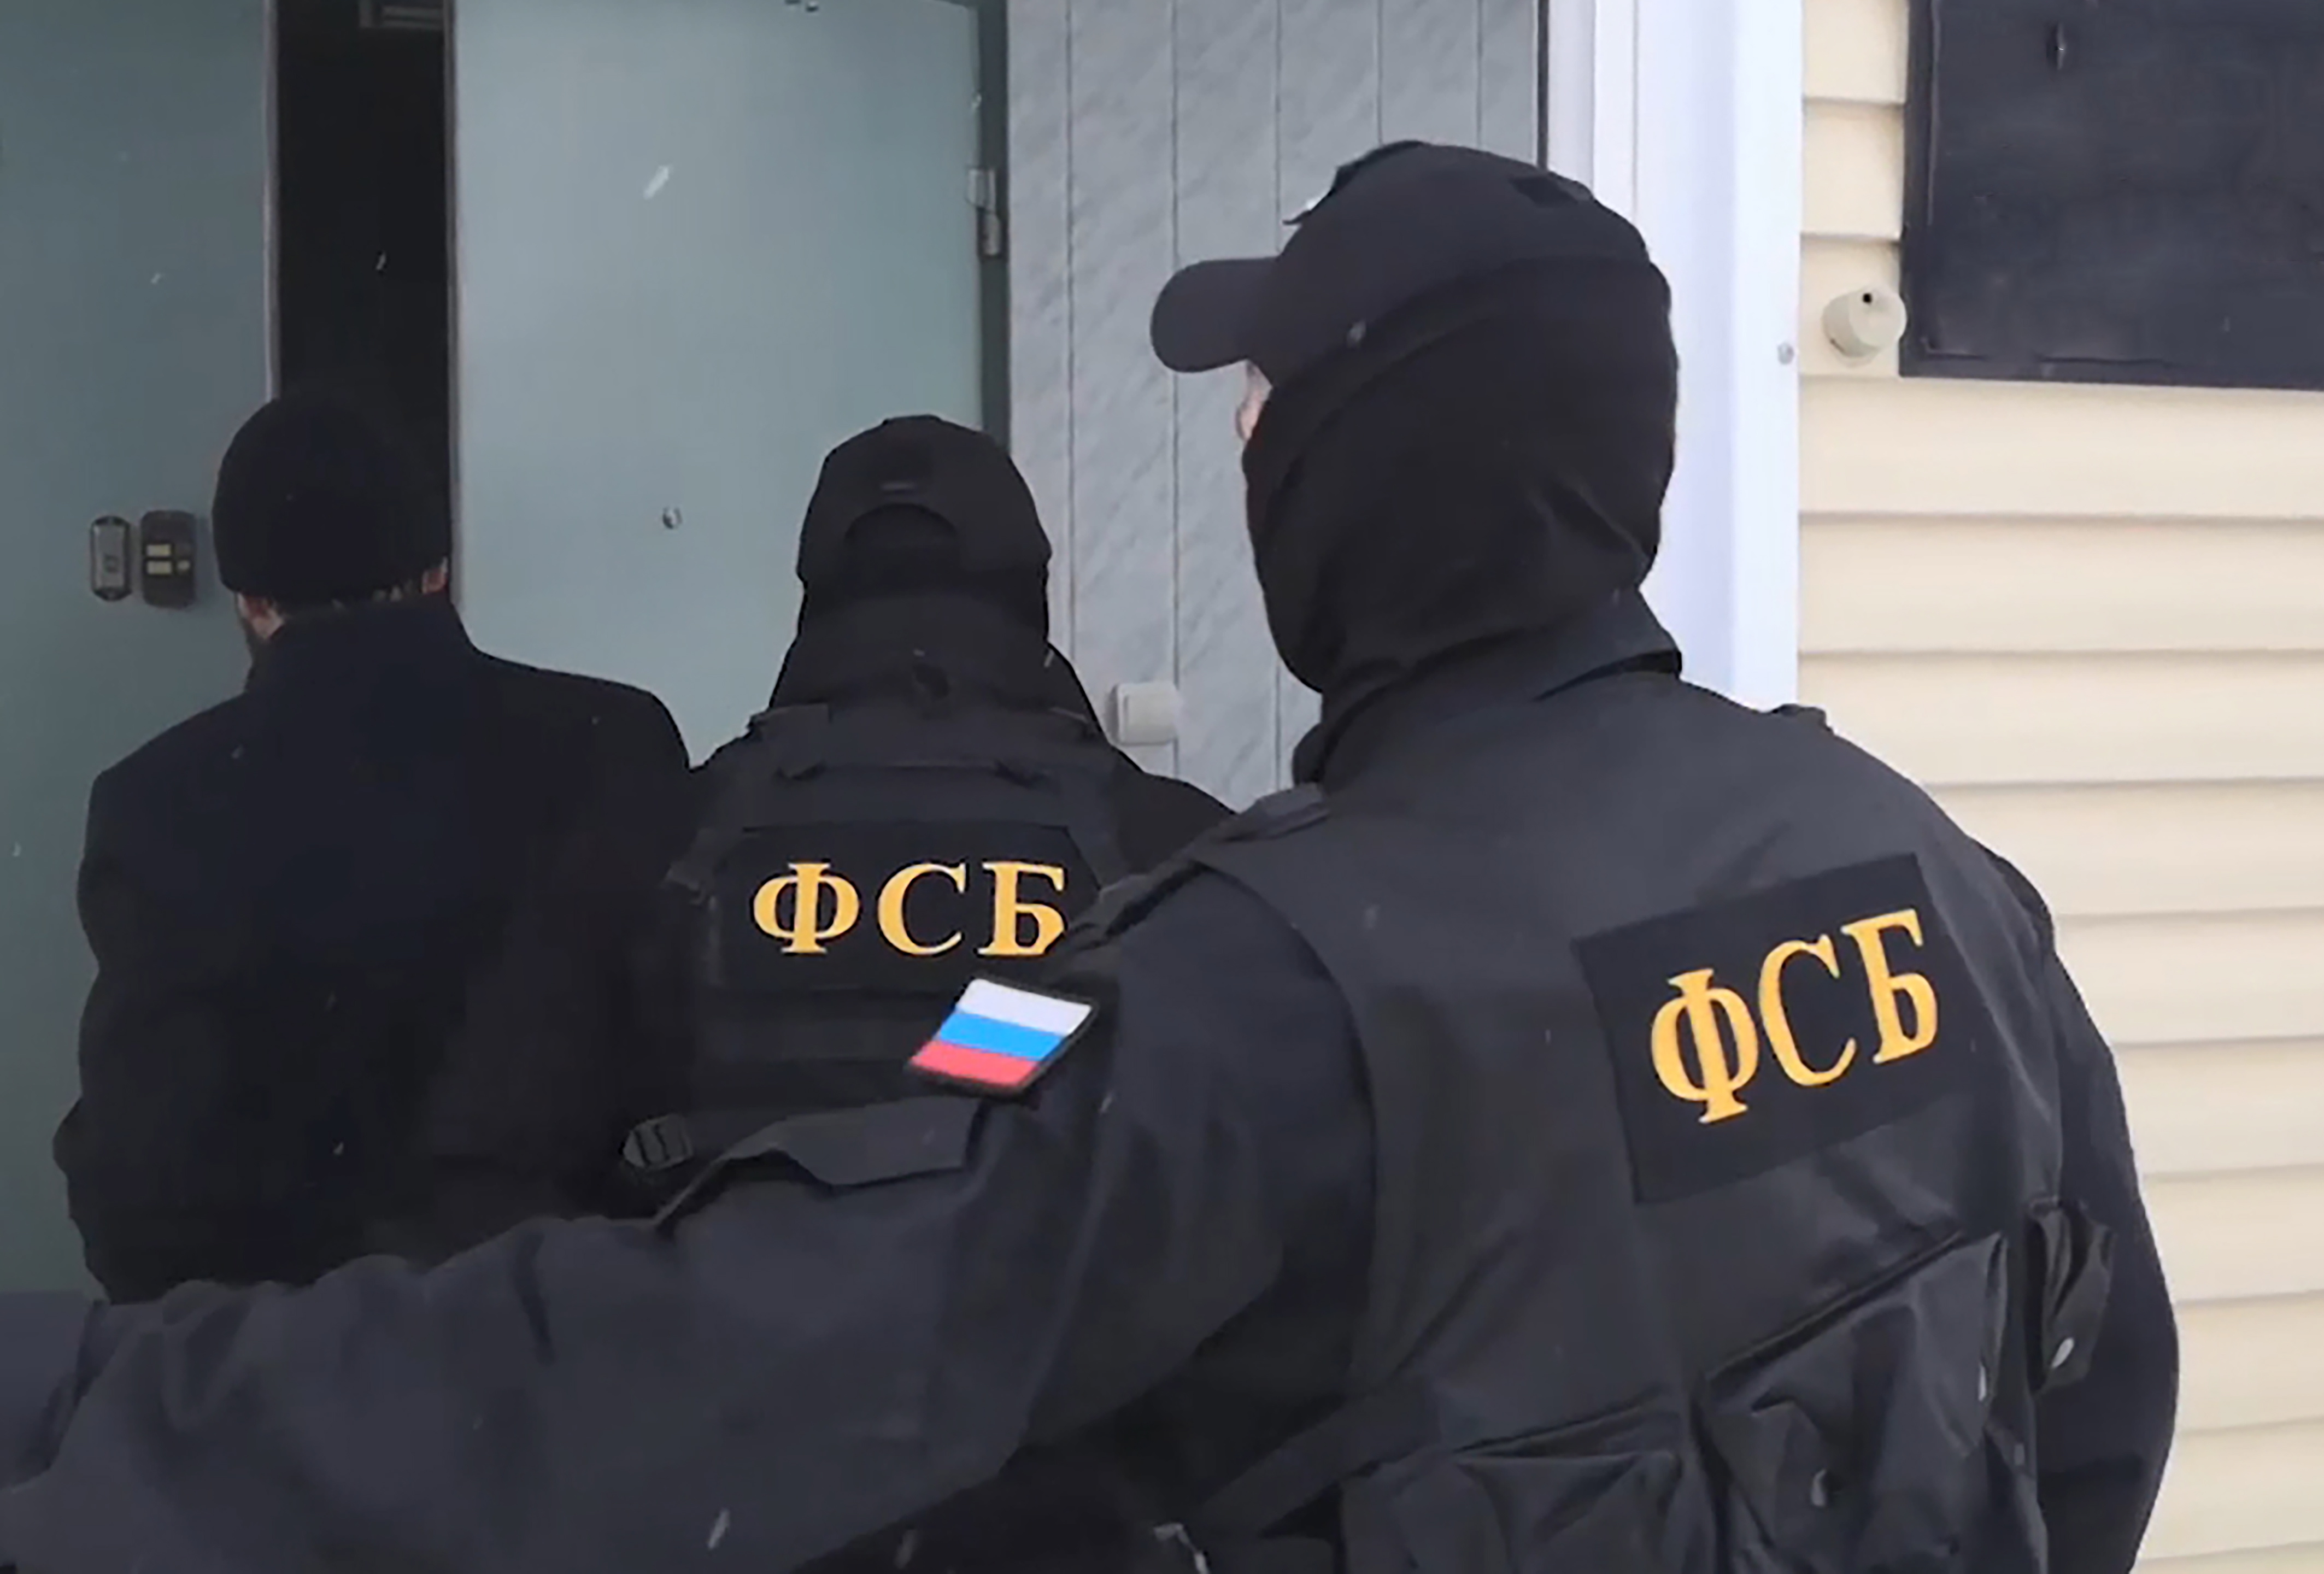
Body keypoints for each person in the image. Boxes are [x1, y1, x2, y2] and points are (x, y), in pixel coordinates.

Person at [0, 145, 2175, 1574]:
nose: (1241, 443)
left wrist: (94, 1397)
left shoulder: (1251, 990)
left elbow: (713, 1358)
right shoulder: (1926, 880)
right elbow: (2091, 1423)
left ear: (1357, 468)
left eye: (1266, 403)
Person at [51, 388, 689, 1301]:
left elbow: (143, 1184)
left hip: (291, 1350)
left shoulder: (158, 803)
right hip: (578, 1324)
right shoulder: (615, 742)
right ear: (438, 569)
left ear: (250, 599)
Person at [601, 413, 1230, 1199]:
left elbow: (530, 1154)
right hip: (1057, 1279)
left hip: (736, 1274)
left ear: (817, 592)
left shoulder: (662, 832)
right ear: (1027, 588)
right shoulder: (1176, 842)